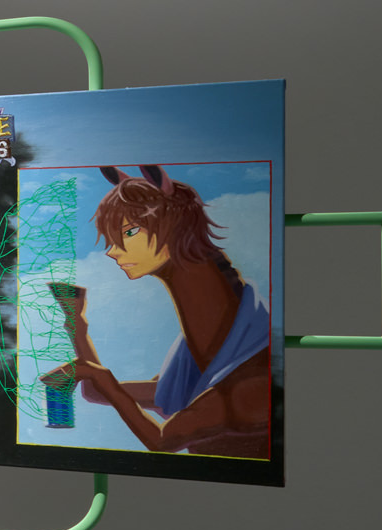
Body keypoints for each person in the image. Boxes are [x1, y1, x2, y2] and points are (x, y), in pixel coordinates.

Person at [56, 165, 272, 458]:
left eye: (130, 232)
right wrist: (76, 325)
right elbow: (95, 391)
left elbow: (161, 441)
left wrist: (99, 374)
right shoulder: (192, 367)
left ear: (175, 227)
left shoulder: (251, 379)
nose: (112, 251)